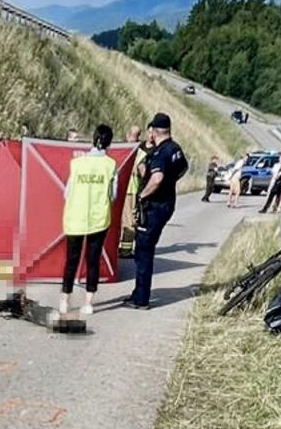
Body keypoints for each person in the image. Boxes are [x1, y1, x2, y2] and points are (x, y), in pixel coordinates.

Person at [124, 113, 186, 310]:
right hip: (167, 203)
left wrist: (142, 195)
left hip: (155, 206)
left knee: (143, 251)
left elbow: (157, 178)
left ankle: (141, 298)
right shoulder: (175, 149)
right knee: (145, 249)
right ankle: (138, 292)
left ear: (153, 130)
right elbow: (182, 169)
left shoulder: (161, 152)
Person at [59, 125, 117, 316]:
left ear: (93, 139)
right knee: (92, 260)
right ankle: (89, 303)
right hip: (98, 218)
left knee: (71, 260)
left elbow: (67, 192)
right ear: (109, 142)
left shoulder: (76, 163)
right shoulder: (111, 165)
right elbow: (113, 195)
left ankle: (65, 301)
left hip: (75, 216)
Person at [119, 125, 144, 258]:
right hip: (130, 192)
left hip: (120, 190)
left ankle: (121, 248)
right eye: (136, 135)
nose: (137, 138)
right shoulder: (139, 153)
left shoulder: (118, 150)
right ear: (128, 135)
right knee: (130, 222)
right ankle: (126, 250)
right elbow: (144, 173)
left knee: (122, 221)